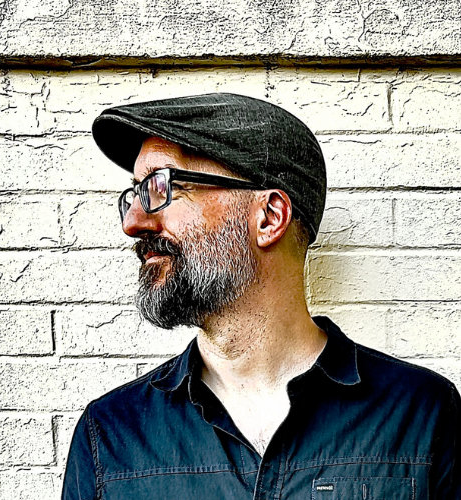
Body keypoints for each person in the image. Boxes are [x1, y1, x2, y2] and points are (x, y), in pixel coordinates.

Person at [62, 93, 460, 499]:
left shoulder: (421, 415)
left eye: (161, 186)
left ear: (269, 218)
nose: (133, 222)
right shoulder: (110, 437)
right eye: (135, 193)